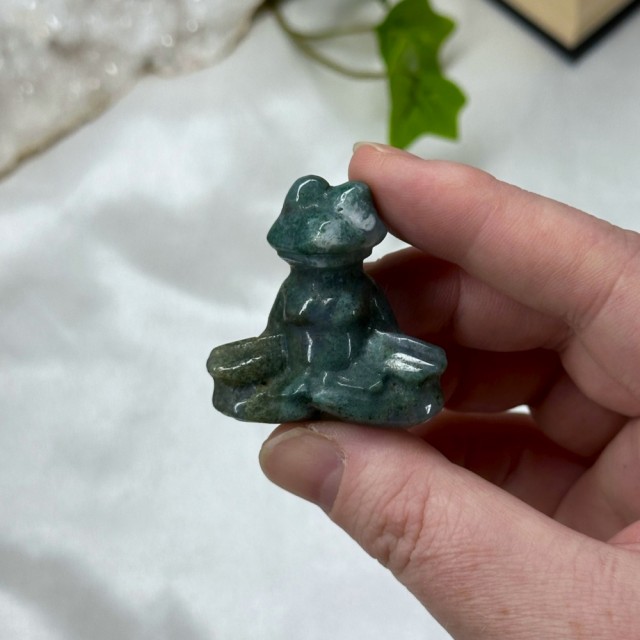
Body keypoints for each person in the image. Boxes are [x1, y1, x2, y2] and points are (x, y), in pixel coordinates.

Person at [259, 143, 640, 638]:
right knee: (236, 367)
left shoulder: (360, 291)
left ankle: (341, 390)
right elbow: (274, 335)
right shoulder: (293, 291)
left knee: (418, 366)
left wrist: (389, 361)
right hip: (300, 369)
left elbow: (384, 336)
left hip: (354, 371)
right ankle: (307, 387)